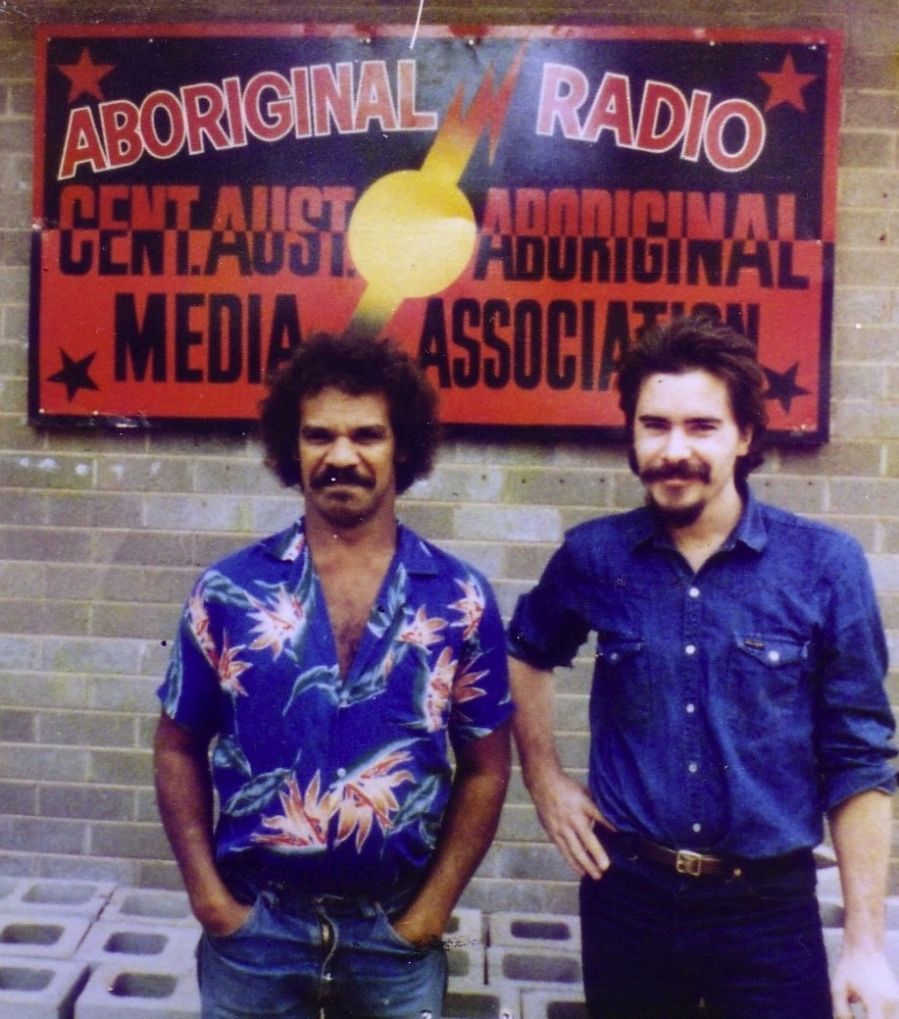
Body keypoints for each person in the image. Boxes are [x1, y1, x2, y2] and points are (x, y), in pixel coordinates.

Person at [507, 315, 898, 1019]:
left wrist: (865, 944)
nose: (673, 449)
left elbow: (860, 757)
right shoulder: (593, 558)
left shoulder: (822, 565)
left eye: (701, 426)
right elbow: (525, 650)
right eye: (654, 425)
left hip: (766, 910)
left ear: (744, 436)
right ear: (630, 436)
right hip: (629, 898)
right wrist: (543, 777)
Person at [154, 332, 512, 1019]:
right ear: (292, 448)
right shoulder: (229, 592)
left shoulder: (458, 598)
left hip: (394, 936)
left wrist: (430, 912)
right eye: (319, 435)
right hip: (254, 935)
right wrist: (210, 900)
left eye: (366, 435)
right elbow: (175, 745)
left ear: (401, 446)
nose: (341, 456)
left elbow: (487, 767)